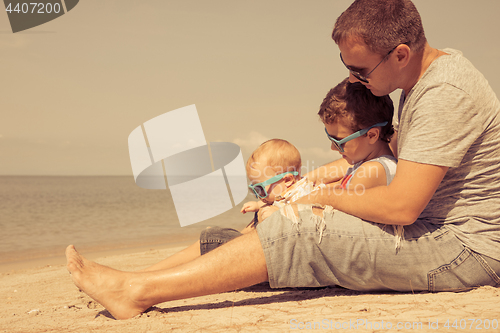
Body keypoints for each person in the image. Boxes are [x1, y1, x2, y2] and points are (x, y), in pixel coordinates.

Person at [66, 0, 500, 320]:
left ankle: (137, 291)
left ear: (401, 54)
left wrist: (319, 201)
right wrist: (308, 187)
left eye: (361, 72)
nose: (353, 80)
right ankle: (134, 278)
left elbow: (403, 206)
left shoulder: (445, 94)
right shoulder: (425, 82)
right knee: (257, 228)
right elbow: (396, 162)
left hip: (463, 249)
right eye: (348, 68)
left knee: (303, 226)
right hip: (437, 234)